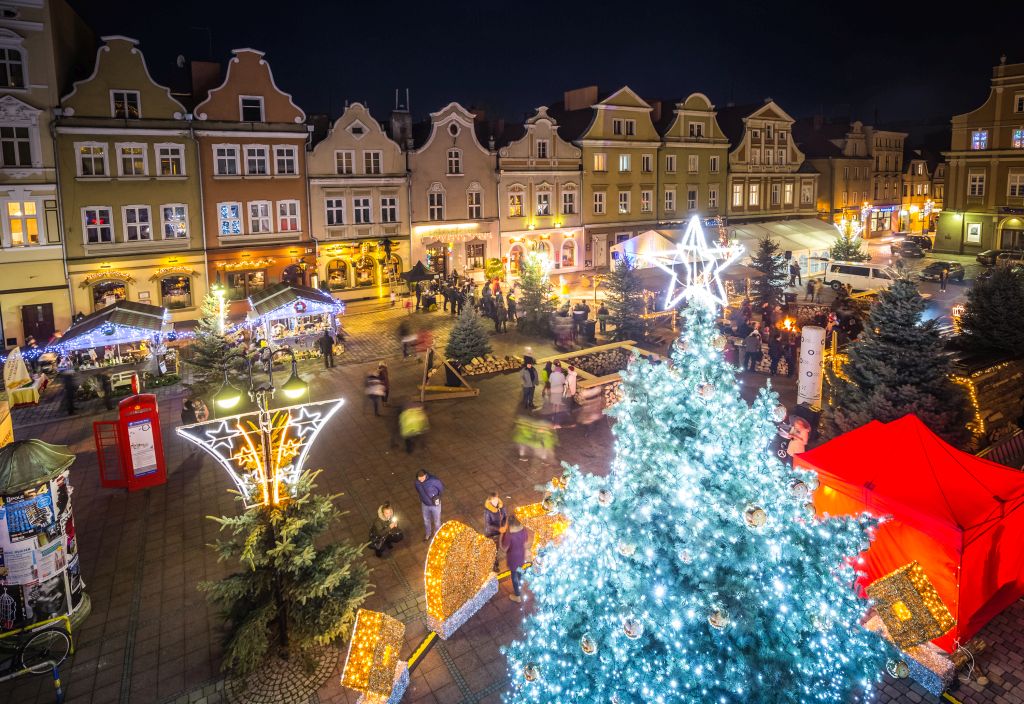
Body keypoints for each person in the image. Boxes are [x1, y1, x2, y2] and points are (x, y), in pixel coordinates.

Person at [499, 515, 530, 603]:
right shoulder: (523, 531)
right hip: (521, 556)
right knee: (519, 570)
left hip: (513, 558)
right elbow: (525, 540)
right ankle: (521, 581)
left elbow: (504, 548)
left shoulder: (509, 535)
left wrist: (502, 535)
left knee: (514, 575)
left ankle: (518, 596)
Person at [414, 469, 444, 542]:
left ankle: (437, 535)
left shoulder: (434, 481)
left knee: (437, 522)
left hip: (435, 505)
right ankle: (428, 534)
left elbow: (441, 488)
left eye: (422, 477)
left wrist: (437, 497)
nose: (421, 479)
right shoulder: (417, 483)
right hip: (425, 504)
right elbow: (418, 491)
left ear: (426, 475)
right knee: (426, 520)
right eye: (419, 478)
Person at [483, 492, 508, 571]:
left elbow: (505, 516)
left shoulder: (501, 507)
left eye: (497, 499)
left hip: (501, 532)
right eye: (494, 500)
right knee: (494, 550)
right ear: (490, 501)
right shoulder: (488, 512)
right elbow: (488, 525)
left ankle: (495, 560)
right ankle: (494, 564)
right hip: (492, 533)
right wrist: (499, 529)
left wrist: (504, 525)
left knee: (498, 548)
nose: (496, 501)